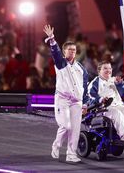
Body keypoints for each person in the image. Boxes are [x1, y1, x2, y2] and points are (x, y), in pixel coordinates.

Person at [43, 24, 89, 163]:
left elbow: (84, 86)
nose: (72, 52)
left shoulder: (81, 69)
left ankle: (71, 154)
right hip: (62, 99)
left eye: (74, 50)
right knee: (65, 126)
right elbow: (55, 53)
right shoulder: (61, 63)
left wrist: (85, 103)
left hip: (77, 101)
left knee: (75, 129)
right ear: (64, 52)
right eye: (69, 50)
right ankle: (56, 145)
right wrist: (52, 39)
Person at [86, 61, 124, 141]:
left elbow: (120, 93)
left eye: (110, 68)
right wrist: (100, 99)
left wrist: (120, 84)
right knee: (117, 114)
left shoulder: (113, 80)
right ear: (99, 71)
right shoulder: (95, 83)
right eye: (105, 68)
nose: (108, 70)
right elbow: (89, 96)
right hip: (102, 108)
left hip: (117, 105)